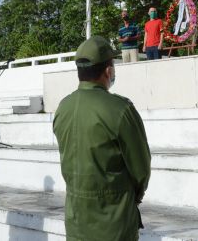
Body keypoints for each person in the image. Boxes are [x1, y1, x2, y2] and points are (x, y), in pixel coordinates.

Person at [54, 36, 151, 241]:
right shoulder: (120, 109)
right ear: (108, 71)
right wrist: (135, 196)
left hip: (76, 221)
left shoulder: (63, 108)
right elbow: (141, 168)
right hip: (113, 223)